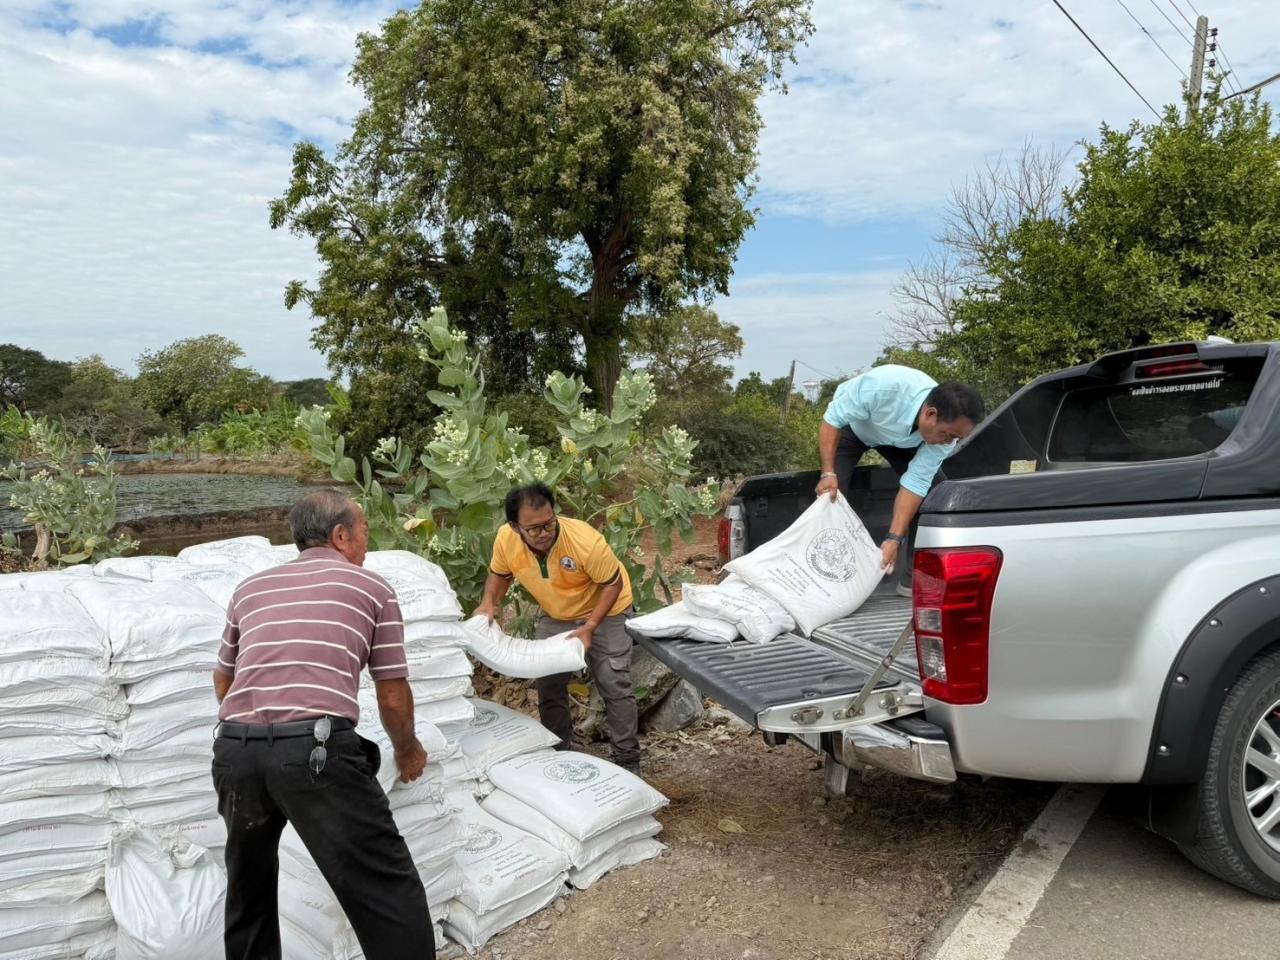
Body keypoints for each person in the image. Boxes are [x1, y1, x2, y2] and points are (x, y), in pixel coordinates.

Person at [211, 490, 434, 960]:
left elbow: (224, 676)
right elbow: (391, 692)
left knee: (248, 894)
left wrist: (248, 731)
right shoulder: (372, 588)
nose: (367, 546)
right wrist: (407, 748)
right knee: (386, 889)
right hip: (314, 752)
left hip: (235, 753)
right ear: (339, 535)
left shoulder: (250, 589)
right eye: (364, 532)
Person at [473, 483, 642, 775]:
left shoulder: (584, 541)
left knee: (613, 681)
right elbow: (499, 574)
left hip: (607, 609)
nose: (544, 532)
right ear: (515, 526)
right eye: (534, 528)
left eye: (549, 523)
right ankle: (558, 751)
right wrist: (489, 603)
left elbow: (612, 584)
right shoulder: (506, 539)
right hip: (558, 614)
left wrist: (590, 626)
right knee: (548, 681)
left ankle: (628, 759)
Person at [815, 366, 984, 594]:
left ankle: (911, 580)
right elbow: (832, 420)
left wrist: (893, 539)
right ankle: (826, 582)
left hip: (905, 443)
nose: (949, 442)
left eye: (956, 438)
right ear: (930, 414)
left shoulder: (943, 437)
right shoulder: (884, 386)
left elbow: (915, 485)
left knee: (935, 497)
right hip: (855, 428)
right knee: (831, 497)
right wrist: (828, 473)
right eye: (948, 435)